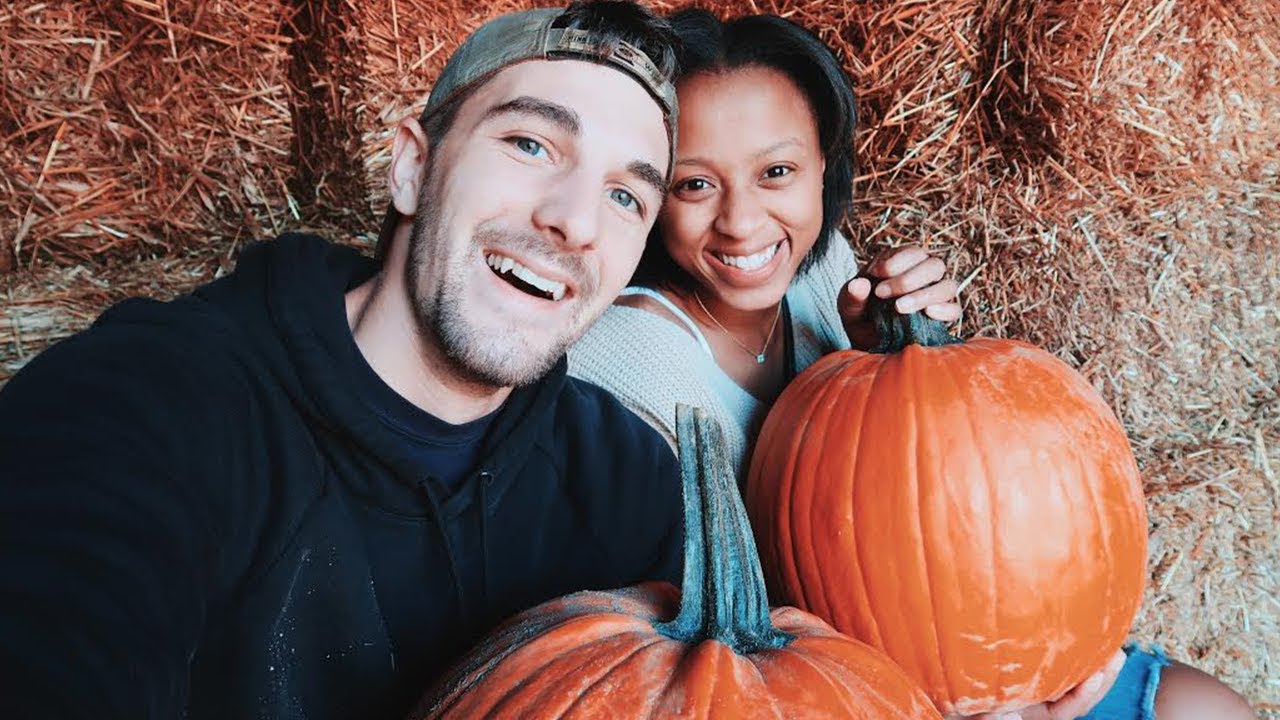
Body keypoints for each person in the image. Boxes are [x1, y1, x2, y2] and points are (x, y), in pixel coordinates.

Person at [0, 3, 686, 718]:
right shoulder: (145, 404)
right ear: (412, 168)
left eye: (624, 196)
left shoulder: (629, 488)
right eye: (531, 144)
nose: (576, 222)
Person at [568, 9, 1256, 720]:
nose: (742, 221)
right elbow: (705, 638)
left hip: (969, 636)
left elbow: (927, 485)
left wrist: (900, 352)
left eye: (777, 172)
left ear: (823, 167)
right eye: (694, 185)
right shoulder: (628, 367)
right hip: (834, 688)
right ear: (645, 193)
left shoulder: (820, 270)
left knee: (1209, 708)